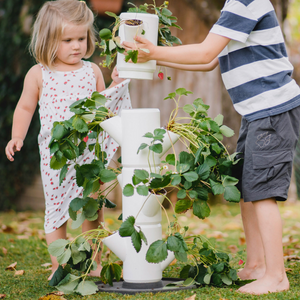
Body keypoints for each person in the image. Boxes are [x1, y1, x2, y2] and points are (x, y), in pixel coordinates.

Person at [123, 0, 300, 295]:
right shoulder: (234, 6)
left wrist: (153, 51)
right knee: (247, 188)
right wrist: (155, 60)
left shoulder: (247, 2)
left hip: (272, 110)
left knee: (263, 193)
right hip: (256, 112)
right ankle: (257, 264)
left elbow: (205, 52)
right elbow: (209, 61)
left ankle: (276, 275)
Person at [5, 0, 131, 280]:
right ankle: (58, 265)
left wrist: (115, 85)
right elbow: (25, 107)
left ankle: (94, 263)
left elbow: (104, 106)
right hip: (57, 157)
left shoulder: (91, 71)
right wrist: (17, 136)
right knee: (56, 211)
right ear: (49, 40)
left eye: (81, 38)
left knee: (91, 208)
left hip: (89, 156)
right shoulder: (39, 74)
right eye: (67, 40)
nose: (76, 46)